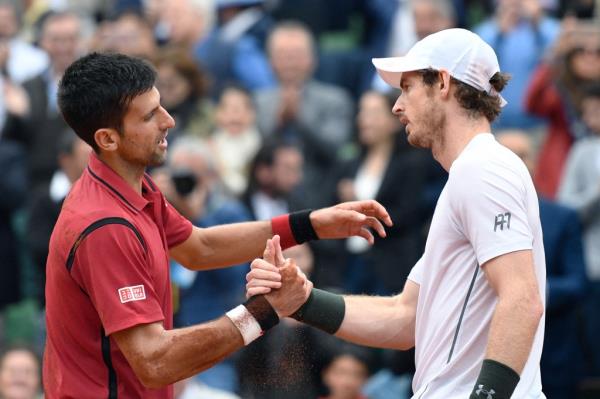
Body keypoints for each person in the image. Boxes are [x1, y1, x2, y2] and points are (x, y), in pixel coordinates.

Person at [44, 51, 391, 398]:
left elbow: (200, 247)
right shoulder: (106, 226)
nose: (169, 121)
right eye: (150, 115)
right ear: (107, 139)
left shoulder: (127, 181)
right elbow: (155, 363)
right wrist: (264, 312)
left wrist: (310, 224)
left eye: (160, 106)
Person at [247, 28, 546, 398]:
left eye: (407, 87)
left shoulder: (482, 168)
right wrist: (302, 301)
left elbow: (522, 299)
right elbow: (405, 319)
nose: (396, 106)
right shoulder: (469, 175)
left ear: (443, 83)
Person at [498, 130, 587, 398]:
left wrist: (530, 291)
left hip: (553, 354)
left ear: (535, 162)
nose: (517, 163)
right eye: (509, 156)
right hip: (496, 357)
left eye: (523, 155)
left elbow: (576, 283)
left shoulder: (563, 217)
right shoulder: (474, 217)